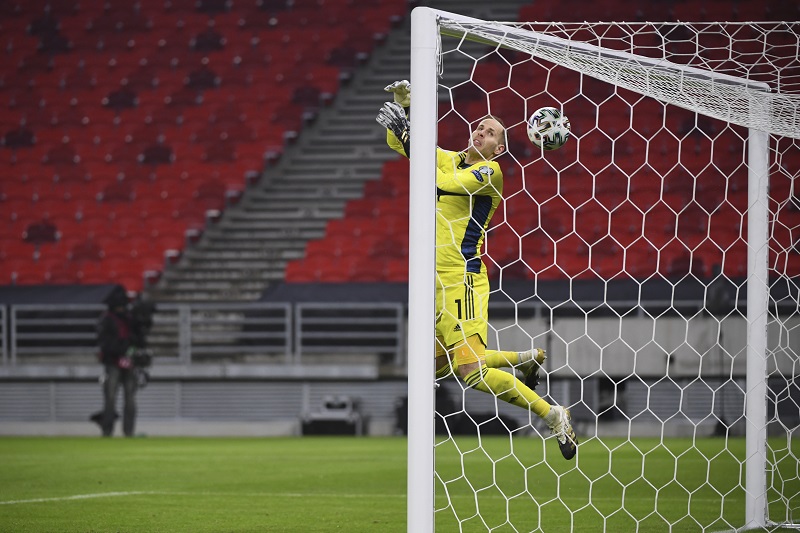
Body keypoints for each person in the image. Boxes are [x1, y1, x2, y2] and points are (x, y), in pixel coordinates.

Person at [376, 81, 578, 460]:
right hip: (432, 281)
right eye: (480, 127)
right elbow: (401, 147)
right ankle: (524, 359)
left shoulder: (490, 172)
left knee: (471, 371)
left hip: (462, 278)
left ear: (498, 148)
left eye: (491, 133)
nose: (481, 132)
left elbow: (440, 182)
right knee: (433, 369)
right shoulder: (451, 158)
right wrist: (404, 109)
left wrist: (409, 134)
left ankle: (553, 415)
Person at [95, 287, 139, 437]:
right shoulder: (107, 319)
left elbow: (137, 338)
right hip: (113, 362)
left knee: (129, 398)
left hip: (128, 362)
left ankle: (128, 431)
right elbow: (105, 343)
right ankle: (108, 431)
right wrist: (121, 350)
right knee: (110, 398)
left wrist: (130, 351)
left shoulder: (129, 319)